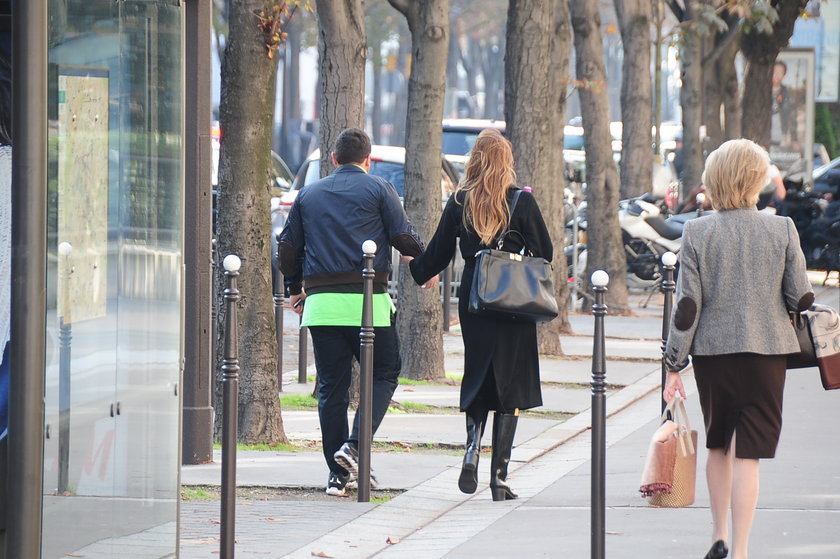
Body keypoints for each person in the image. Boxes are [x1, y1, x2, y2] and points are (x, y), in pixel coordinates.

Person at [662, 139, 814, 559]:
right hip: (768, 354)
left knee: (718, 443)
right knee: (749, 453)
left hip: (714, 355)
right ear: (757, 180)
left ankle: (719, 537)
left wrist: (674, 363)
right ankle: (742, 550)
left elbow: (687, 307)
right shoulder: (782, 229)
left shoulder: (697, 232)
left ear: (715, 180)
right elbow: (801, 297)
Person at [278, 128, 433, 496]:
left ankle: (337, 475)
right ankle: (355, 447)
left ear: (333, 159)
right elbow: (402, 236)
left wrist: (295, 289)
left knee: (332, 389)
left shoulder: (308, 194)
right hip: (369, 304)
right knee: (385, 372)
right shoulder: (380, 188)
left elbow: (287, 248)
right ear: (368, 159)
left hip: (323, 306)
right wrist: (424, 267)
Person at [406, 129, 553, 501]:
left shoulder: (461, 201)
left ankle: (472, 447)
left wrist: (417, 269)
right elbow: (545, 252)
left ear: (475, 160)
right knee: (511, 386)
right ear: (507, 163)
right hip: (515, 302)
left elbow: (439, 253)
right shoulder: (521, 201)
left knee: (478, 375)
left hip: (476, 299)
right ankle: (499, 479)